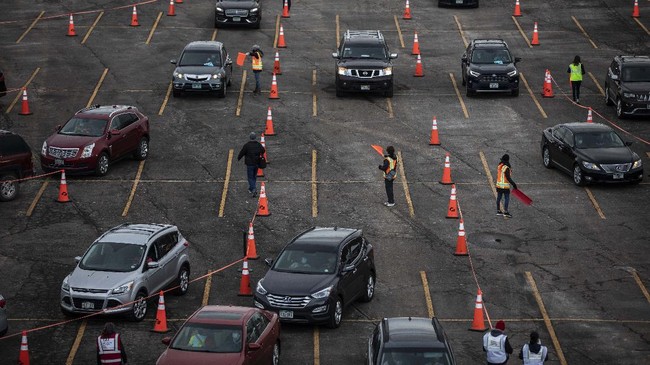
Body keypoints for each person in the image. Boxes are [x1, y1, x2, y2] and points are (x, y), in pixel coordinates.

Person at [237, 132, 265, 197]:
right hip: (257, 163)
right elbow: (263, 150)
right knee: (254, 176)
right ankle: (251, 188)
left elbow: (242, 152)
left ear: (250, 137)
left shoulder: (247, 145)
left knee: (250, 177)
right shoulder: (258, 144)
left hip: (249, 164)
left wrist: (238, 158)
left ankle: (253, 189)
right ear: (255, 137)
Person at [495, 154, 517, 218]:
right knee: (506, 198)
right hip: (505, 187)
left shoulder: (500, 165)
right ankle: (506, 212)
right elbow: (508, 178)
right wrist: (514, 184)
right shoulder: (506, 168)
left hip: (499, 185)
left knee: (499, 197)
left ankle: (498, 211)